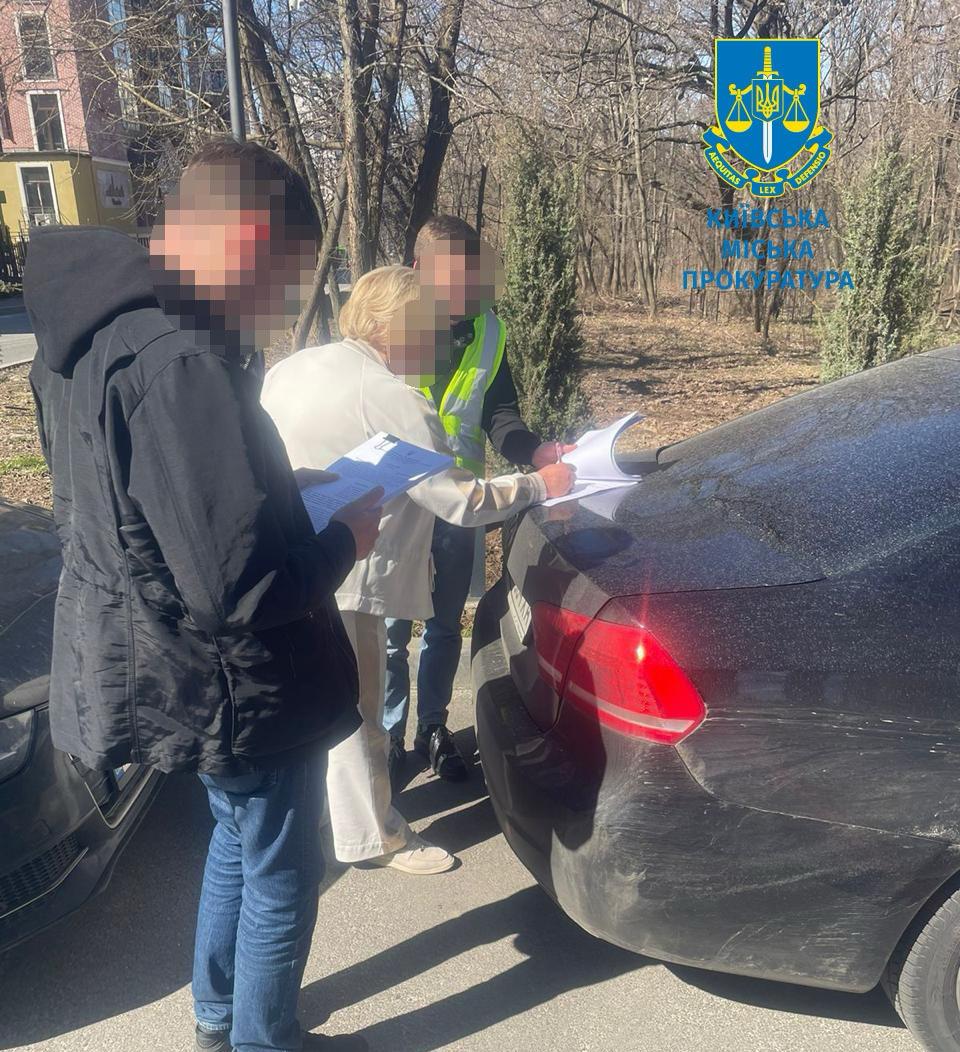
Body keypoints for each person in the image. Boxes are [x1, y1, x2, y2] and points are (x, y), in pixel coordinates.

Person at [25, 139, 377, 1052]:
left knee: (235, 835)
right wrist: (348, 535)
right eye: (286, 276)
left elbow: (139, 503)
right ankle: (264, 1039)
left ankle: (218, 1018)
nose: (283, 302)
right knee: (283, 869)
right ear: (249, 238)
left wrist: (277, 484)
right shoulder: (178, 355)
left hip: (179, 665)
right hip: (239, 682)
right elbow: (241, 588)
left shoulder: (94, 329)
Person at [261, 265, 574, 875]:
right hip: (347, 574)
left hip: (286, 566)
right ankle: (374, 838)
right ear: (396, 329)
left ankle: (327, 816)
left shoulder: (292, 368)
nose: (437, 348)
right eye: (429, 331)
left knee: (313, 703)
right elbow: (462, 501)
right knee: (357, 710)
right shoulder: (392, 397)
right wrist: (541, 484)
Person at [384, 216, 575, 784]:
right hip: (394, 503)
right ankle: (387, 737)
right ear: (418, 270)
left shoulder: (489, 330)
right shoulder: (388, 325)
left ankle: (433, 728)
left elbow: (499, 414)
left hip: (460, 502)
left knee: (444, 625)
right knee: (390, 630)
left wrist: (535, 450)